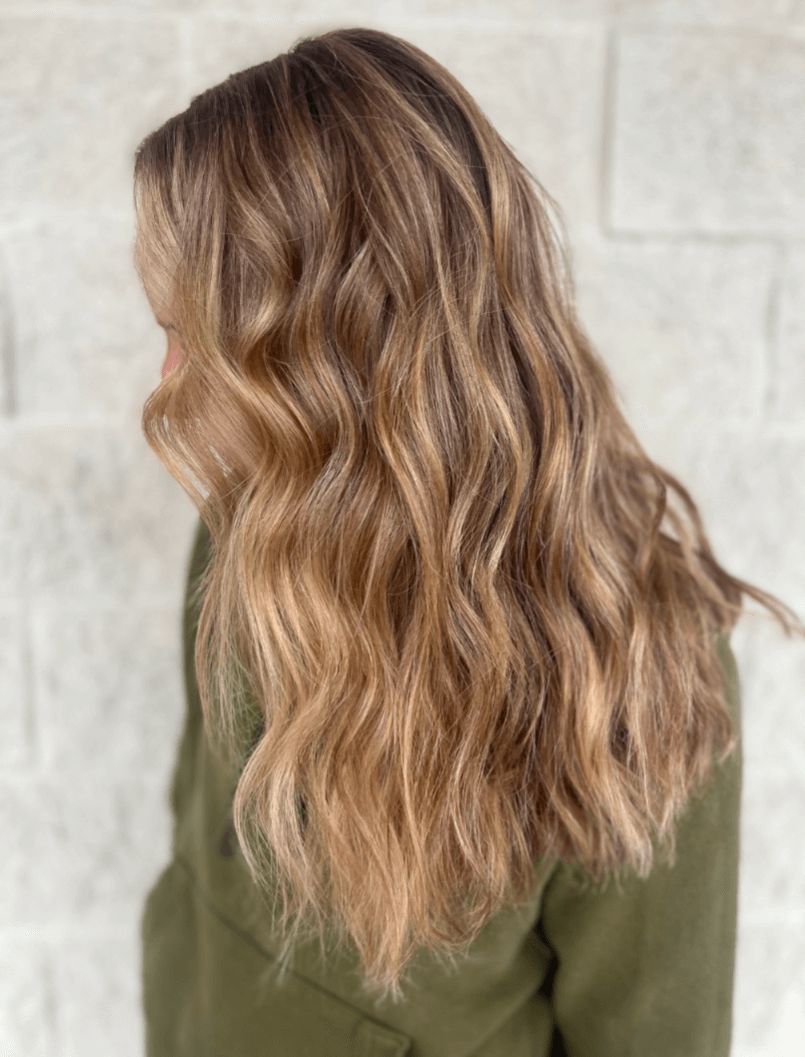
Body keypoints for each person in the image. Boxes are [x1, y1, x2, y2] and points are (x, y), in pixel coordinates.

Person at [132, 26, 805, 1057]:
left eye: (189, 339)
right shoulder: (239, 518)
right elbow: (204, 828)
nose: (165, 383)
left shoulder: (629, 672)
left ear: (332, 363)